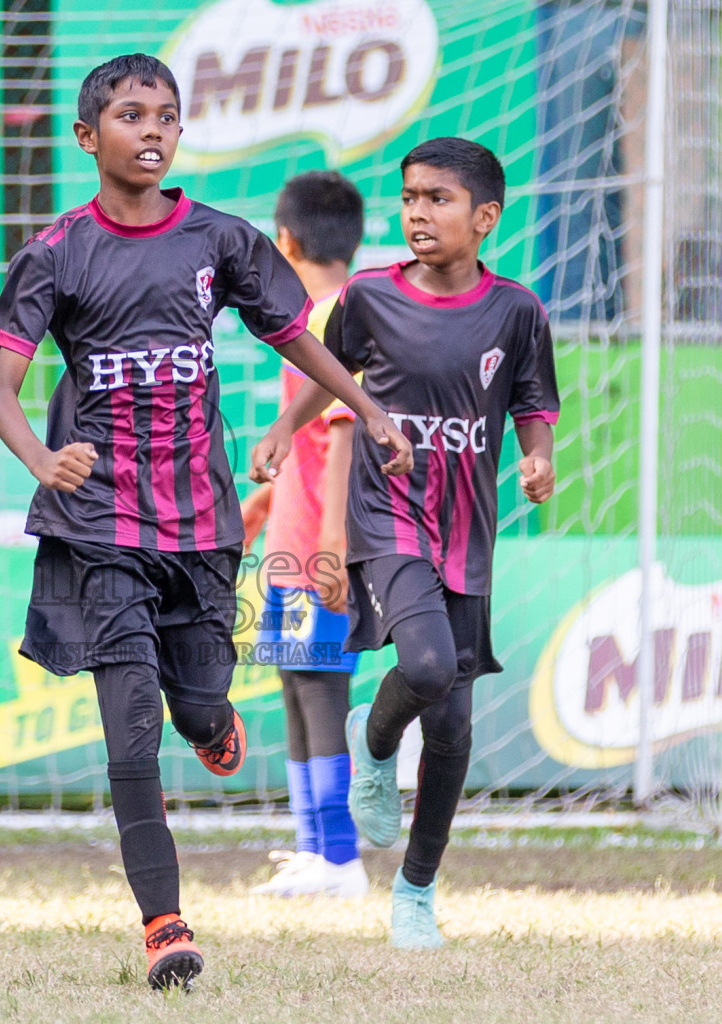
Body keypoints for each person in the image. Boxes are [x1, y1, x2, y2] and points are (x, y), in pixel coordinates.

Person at [0, 54, 411, 989]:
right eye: (131, 115)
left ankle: (211, 724)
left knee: (199, 704)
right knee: (128, 727)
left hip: (203, 525)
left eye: (167, 117)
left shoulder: (220, 240)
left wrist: (369, 411)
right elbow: (1, 394)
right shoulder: (56, 250)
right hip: (99, 526)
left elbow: (296, 335)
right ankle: (164, 924)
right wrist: (42, 462)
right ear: (88, 137)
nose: (152, 130)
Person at [251, 137, 558, 948]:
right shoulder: (368, 297)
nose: (419, 212)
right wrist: (286, 427)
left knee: (453, 727)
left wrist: (538, 456)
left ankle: (416, 891)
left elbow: (532, 396)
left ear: (485, 218)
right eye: (411, 197)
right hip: (388, 520)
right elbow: (330, 379)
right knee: (422, 667)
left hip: (468, 529)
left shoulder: (517, 310)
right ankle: (374, 736)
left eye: (439, 199)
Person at [240, 171, 368, 899]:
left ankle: (340, 856)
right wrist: (266, 499)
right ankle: (312, 848)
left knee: (321, 688)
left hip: (318, 545)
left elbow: (344, 431)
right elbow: (311, 439)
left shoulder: (332, 318)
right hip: (290, 536)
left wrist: (331, 539)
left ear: (283, 241)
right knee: (296, 683)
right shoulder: (319, 313)